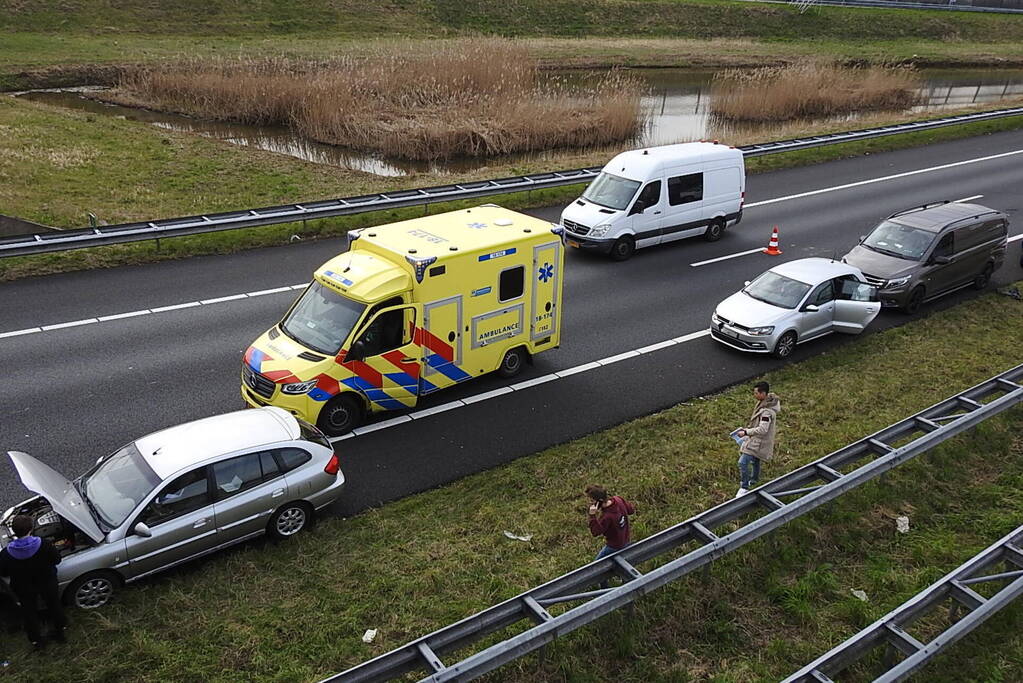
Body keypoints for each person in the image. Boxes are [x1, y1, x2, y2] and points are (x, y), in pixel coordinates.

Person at [0, 515, 66, 649]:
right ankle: (60, 632)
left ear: (14, 531)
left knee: (29, 613)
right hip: (47, 582)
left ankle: (37, 641)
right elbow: (57, 560)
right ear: (31, 529)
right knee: (54, 605)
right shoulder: (44, 544)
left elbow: (3, 572)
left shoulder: (7, 552)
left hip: (23, 587)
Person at [734, 381, 781, 498]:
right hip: (757, 441)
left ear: (763, 393)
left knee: (743, 462)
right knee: (755, 460)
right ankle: (754, 480)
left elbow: (762, 430)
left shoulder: (766, 412)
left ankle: (744, 487)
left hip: (757, 442)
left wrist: (746, 432)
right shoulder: (763, 404)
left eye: (756, 393)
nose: (754, 395)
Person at [585, 485, 636, 588]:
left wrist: (592, 516)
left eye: (592, 501)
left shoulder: (607, 517)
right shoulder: (618, 499)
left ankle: (604, 590)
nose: (590, 503)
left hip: (614, 546)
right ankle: (625, 583)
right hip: (626, 539)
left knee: (597, 567)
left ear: (599, 501)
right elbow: (631, 510)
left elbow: (595, 532)